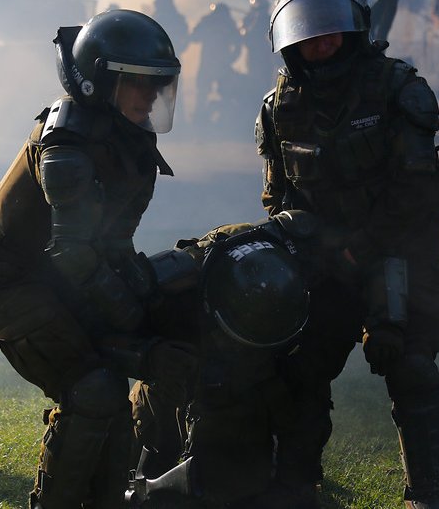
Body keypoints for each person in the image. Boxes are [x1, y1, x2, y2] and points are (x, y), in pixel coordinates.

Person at [0, 10, 197, 509]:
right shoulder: (66, 144)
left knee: (166, 342)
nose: (151, 96)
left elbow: (108, 247)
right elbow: (73, 254)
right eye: (138, 84)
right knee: (93, 391)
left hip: (63, 275)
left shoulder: (130, 139)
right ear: (101, 82)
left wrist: (152, 307)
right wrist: (134, 329)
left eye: (157, 85)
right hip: (9, 280)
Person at [256, 0, 439, 507]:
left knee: (411, 366)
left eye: (330, 33)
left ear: (354, 31)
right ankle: (295, 485)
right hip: (325, 267)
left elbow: (415, 191)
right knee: (300, 369)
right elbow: (278, 198)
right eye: (308, 35)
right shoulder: (279, 105)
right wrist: (314, 247)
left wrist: (364, 247)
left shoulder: (399, 89)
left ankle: (428, 496)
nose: (320, 44)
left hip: (404, 254)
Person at [124, 212, 322, 508]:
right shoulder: (172, 293)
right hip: (174, 389)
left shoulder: (290, 275)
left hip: (242, 399)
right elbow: (123, 338)